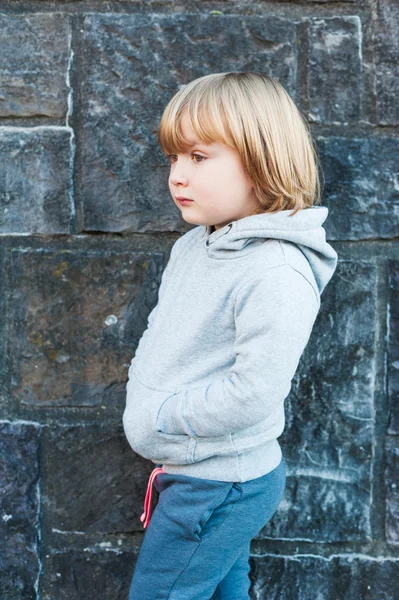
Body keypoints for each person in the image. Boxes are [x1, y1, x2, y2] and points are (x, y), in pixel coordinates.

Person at [123, 72, 338, 599]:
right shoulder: (193, 247)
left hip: (219, 485)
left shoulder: (277, 271)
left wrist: (162, 417)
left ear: (262, 161)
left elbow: (254, 390)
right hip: (191, 474)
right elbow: (161, 335)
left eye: (198, 158)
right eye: (173, 158)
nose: (177, 175)